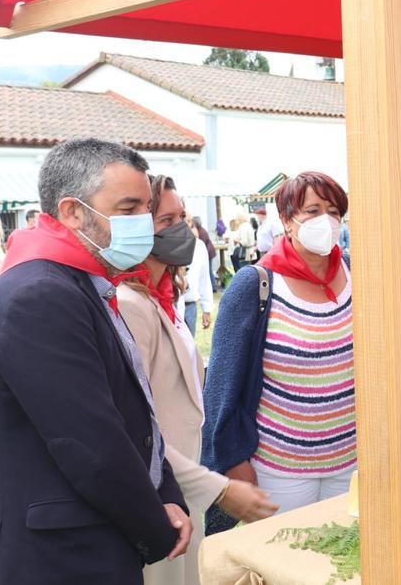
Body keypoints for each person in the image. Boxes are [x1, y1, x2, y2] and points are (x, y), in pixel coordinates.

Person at [0, 138, 189, 584]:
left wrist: (165, 491)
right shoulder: (40, 295)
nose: (144, 223)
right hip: (57, 557)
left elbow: (131, 408)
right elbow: (89, 442)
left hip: (79, 540)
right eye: (127, 209)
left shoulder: (76, 281)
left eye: (146, 207)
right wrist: (154, 525)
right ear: (72, 211)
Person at [118, 175, 277, 585]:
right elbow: (135, 427)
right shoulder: (131, 305)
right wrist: (215, 486)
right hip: (158, 488)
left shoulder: (162, 298)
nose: (180, 229)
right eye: (165, 219)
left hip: (181, 485)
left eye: (182, 217)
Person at [203, 171, 355, 518]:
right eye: (313, 211)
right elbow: (221, 386)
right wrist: (231, 461)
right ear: (287, 220)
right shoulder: (255, 284)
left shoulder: (355, 273)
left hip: (351, 461)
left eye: (333, 211)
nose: (326, 221)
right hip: (280, 469)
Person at [180, 210, 214, 336]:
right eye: (184, 220)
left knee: (189, 349)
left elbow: (204, 279)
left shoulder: (199, 247)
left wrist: (206, 308)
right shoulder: (166, 246)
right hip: (171, 305)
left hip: (190, 306)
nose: (187, 224)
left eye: (190, 221)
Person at [192, 215, 219, 293]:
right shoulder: (201, 230)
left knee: (208, 271)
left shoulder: (201, 232)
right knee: (209, 271)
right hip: (209, 252)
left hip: (208, 253)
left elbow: (202, 246)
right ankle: (213, 287)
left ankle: (213, 287)